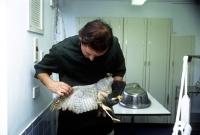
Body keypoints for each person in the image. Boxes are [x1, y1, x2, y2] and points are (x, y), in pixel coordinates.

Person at [34, 19, 126, 135]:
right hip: (72, 116)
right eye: (88, 53)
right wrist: (51, 84)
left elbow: (118, 71)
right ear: (81, 37)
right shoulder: (62, 50)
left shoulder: (114, 45)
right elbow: (41, 69)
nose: (92, 59)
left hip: (101, 111)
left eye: (98, 56)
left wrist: (116, 92)